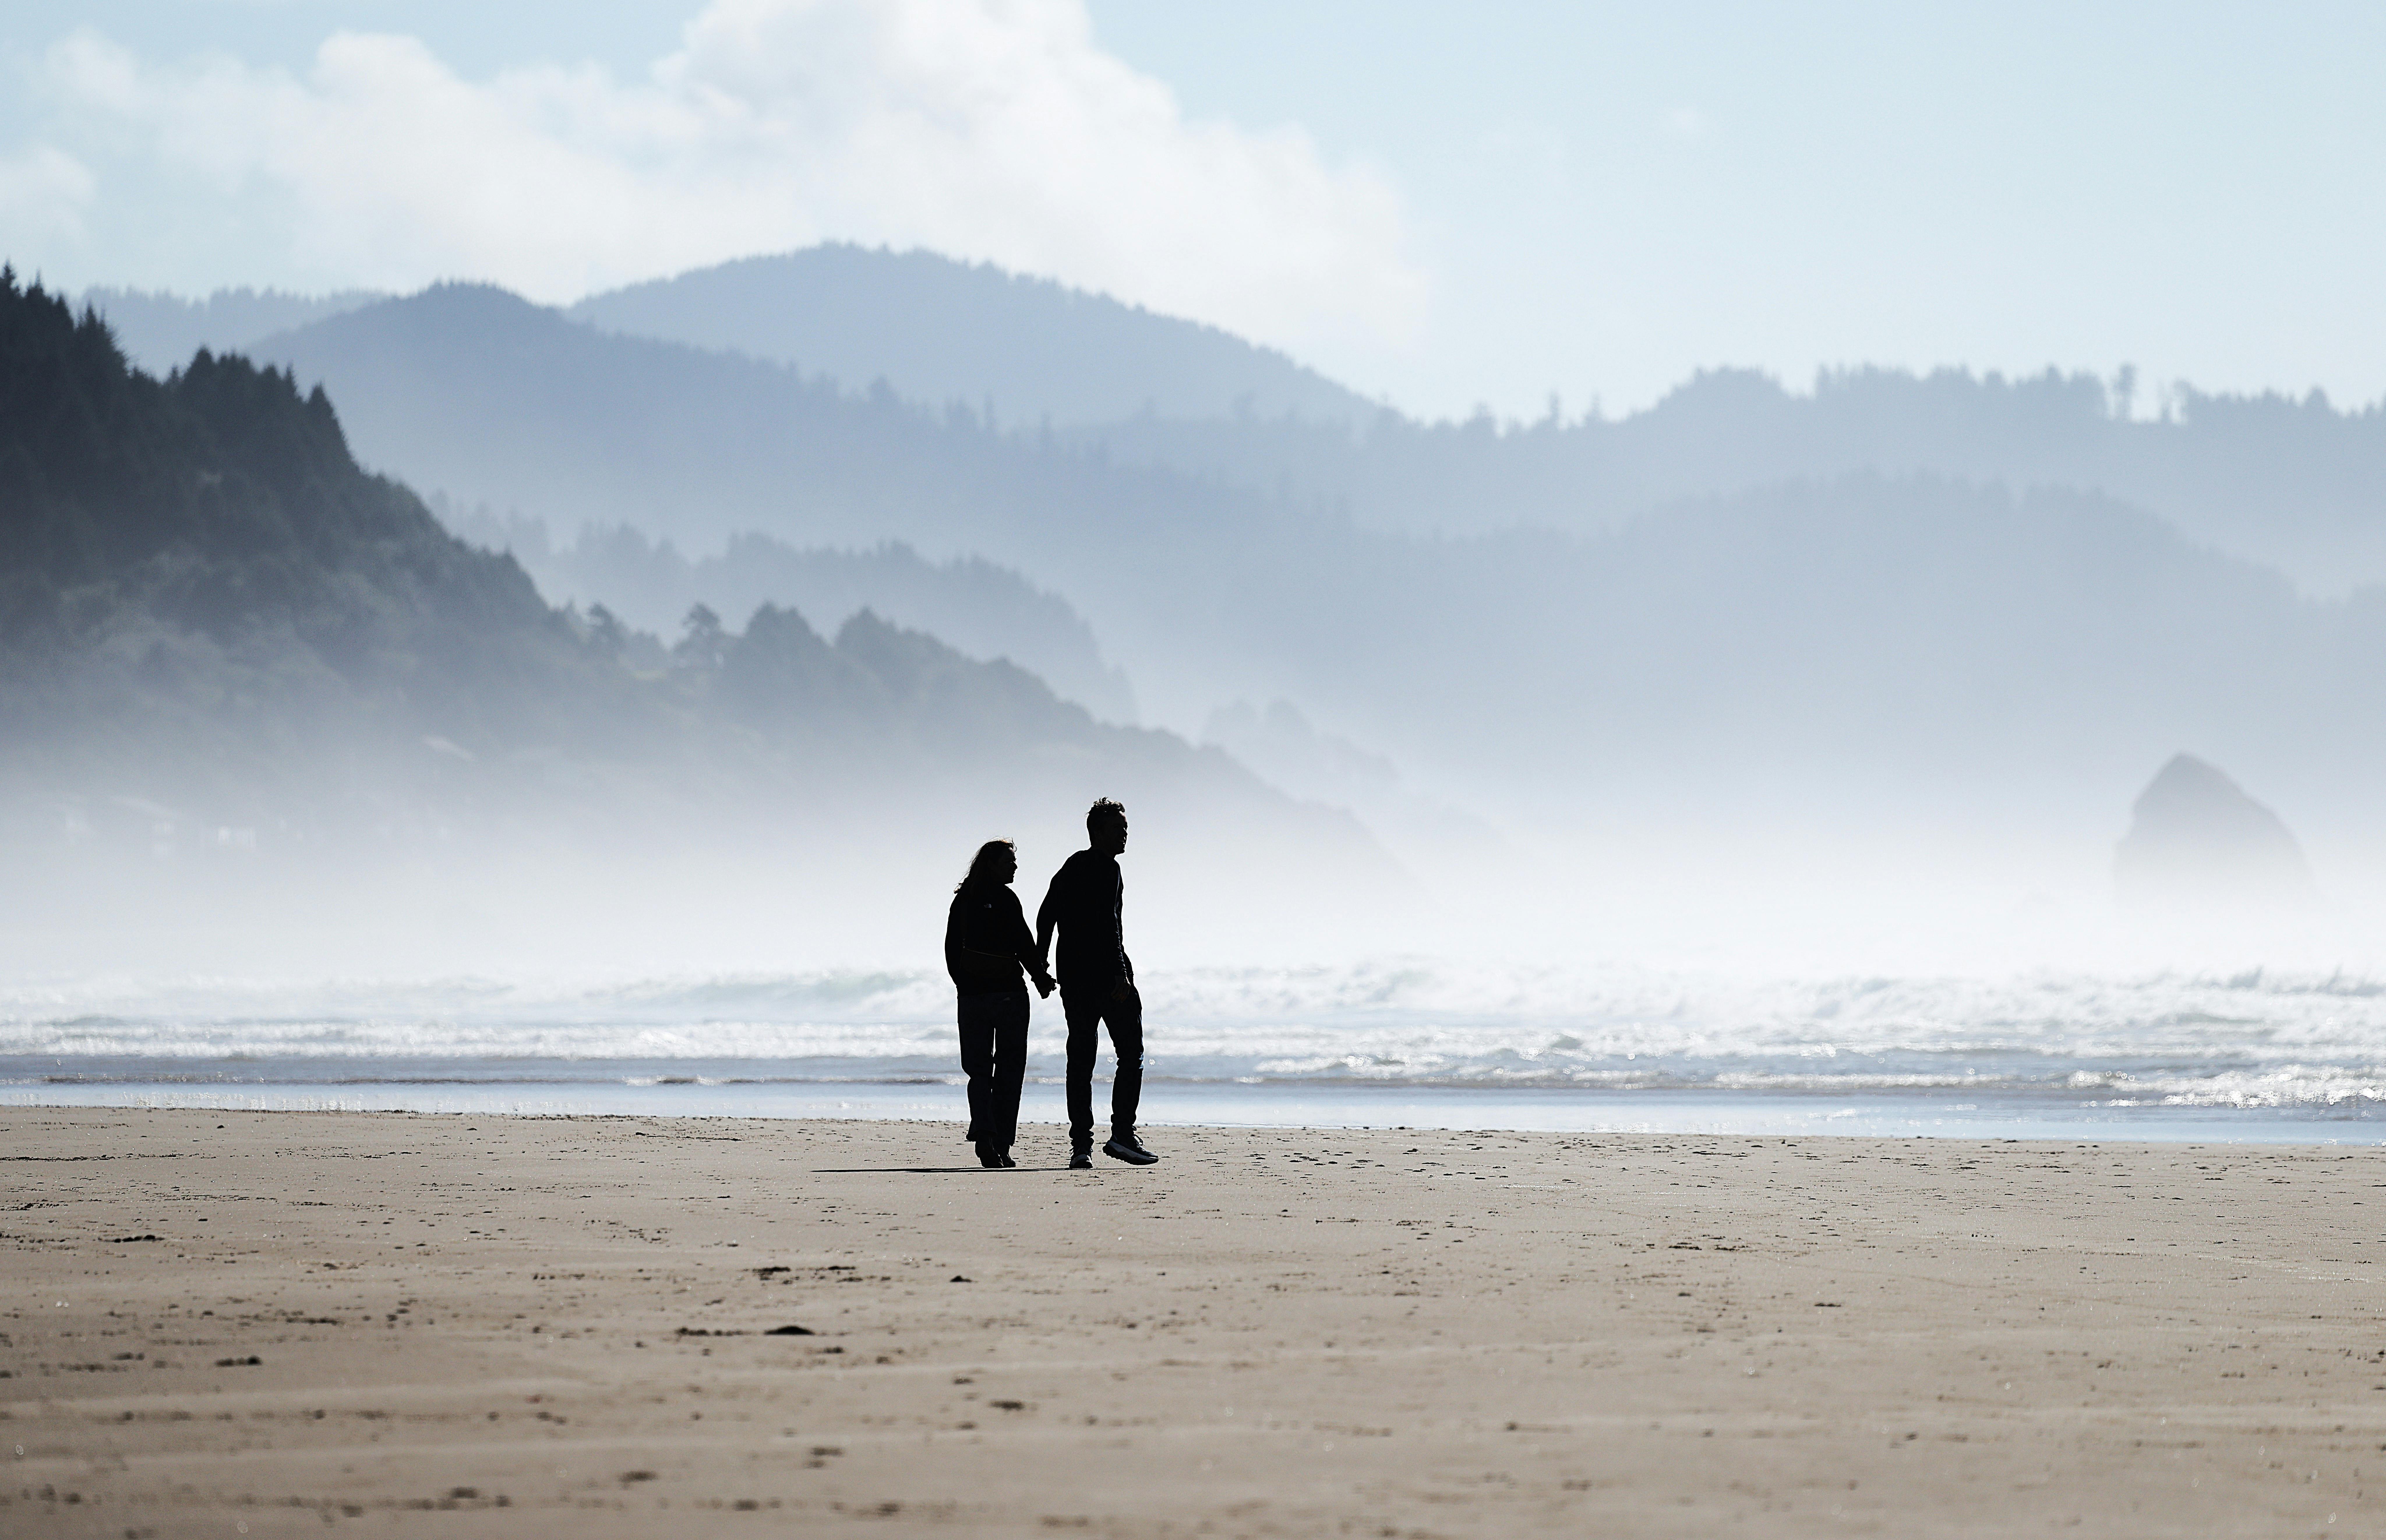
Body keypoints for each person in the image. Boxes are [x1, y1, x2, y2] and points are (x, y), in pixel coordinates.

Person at [1036, 798, 1158, 1168]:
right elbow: (1110, 927)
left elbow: (1046, 915)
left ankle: (1081, 1146)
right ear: (1098, 832)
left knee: (1081, 1060)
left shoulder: (1071, 866)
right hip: (1107, 979)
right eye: (1118, 828)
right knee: (1131, 1054)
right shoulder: (1109, 869)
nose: (1125, 834)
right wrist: (1121, 975)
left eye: (1126, 827)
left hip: (1074, 980)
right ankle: (1122, 1135)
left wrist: (1040, 966)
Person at [945, 839, 1053, 1169]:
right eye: (1008, 861)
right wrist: (1041, 978)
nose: (1015, 866)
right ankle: (1001, 1144)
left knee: (978, 1071)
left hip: (974, 998)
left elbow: (951, 951)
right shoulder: (1006, 899)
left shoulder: (962, 901)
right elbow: (1024, 943)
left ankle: (984, 1134)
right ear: (990, 864)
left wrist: (965, 986)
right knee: (1009, 1071)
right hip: (1009, 996)